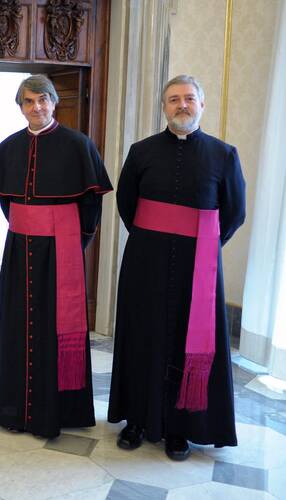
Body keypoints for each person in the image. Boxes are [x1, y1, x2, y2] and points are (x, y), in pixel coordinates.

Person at [108, 75, 246, 460]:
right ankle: (137, 420)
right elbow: (127, 205)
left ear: (201, 105)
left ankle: (179, 430)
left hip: (198, 267)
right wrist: (154, 238)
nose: (181, 105)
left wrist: (203, 246)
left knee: (189, 343)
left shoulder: (224, 155)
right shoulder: (141, 152)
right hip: (145, 263)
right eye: (173, 100)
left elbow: (234, 213)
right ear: (163, 107)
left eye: (188, 99)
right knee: (143, 337)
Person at [0, 75, 112, 438]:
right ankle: (14, 411)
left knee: (55, 327)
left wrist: (71, 240)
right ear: (20, 106)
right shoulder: (10, 147)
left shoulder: (78, 145)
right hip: (19, 247)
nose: (36, 107)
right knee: (17, 325)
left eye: (42, 100)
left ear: (54, 102)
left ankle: (57, 413)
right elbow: (7, 202)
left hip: (61, 249)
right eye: (28, 101)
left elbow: (91, 204)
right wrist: (31, 225)